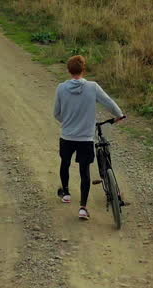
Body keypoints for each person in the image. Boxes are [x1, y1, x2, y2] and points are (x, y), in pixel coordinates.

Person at [53, 55, 125, 220]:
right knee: (84, 171)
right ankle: (83, 208)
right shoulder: (93, 87)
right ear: (83, 69)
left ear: (68, 70)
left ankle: (66, 193)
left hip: (67, 136)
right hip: (85, 138)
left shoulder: (61, 88)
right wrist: (119, 115)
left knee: (65, 163)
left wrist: (68, 123)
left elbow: (56, 113)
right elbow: (108, 102)